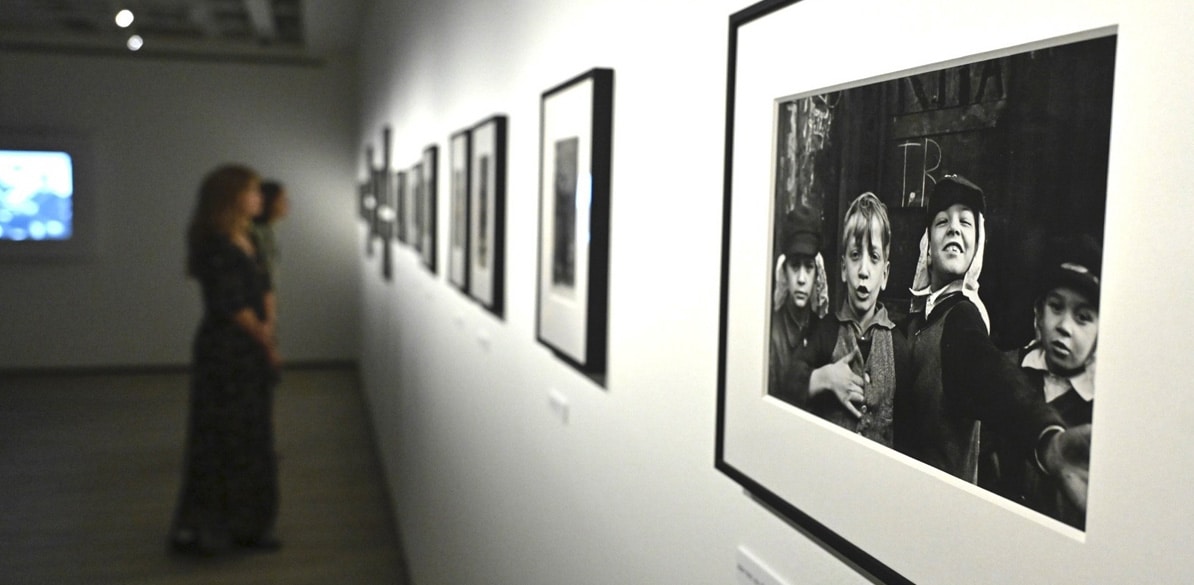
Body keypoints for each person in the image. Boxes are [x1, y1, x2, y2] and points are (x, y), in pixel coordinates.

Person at [896, 175, 1090, 510]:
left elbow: (992, 375)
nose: (954, 228)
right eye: (942, 221)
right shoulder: (918, 321)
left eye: (965, 222)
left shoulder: (961, 318)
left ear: (977, 247)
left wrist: (1046, 439)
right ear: (926, 248)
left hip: (938, 508)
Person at [170, 164, 282, 555]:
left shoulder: (247, 236)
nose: (259, 198)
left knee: (252, 436)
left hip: (248, 349)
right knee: (222, 436)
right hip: (226, 352)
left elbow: (264, 287)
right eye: (252, 192)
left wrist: (268, 326)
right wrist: (264, 338)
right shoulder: (215, 243)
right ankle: (211, 527)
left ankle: (249, 523)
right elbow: (231, 304)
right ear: (232, 197)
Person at [980, 234, 1100, 528]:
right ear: (1038, 312)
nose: (1064, 327)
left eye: (1083, 317)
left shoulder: (1099, 406)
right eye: (1056, 307)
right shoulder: (1005, 369)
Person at [779, 193, 910, 447]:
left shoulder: (899, 348)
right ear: (842, 268)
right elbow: (788, 383)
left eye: (874, 257)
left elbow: (907, 436)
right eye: (854, 255)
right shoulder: (824, 332)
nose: (863, 271)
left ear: (885, 274)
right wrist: (823, 378)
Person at [769, 205, 829, 397]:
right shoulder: (770, 333)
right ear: (784, 272)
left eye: (809, 267)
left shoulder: (821, 331)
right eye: (795, 266)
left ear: (817, 274)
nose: (802, 278)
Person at [252, 180, 288, 281]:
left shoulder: (270, 230)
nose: (286, 204)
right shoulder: (258, 232)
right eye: (281, 199)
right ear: (269, 201)